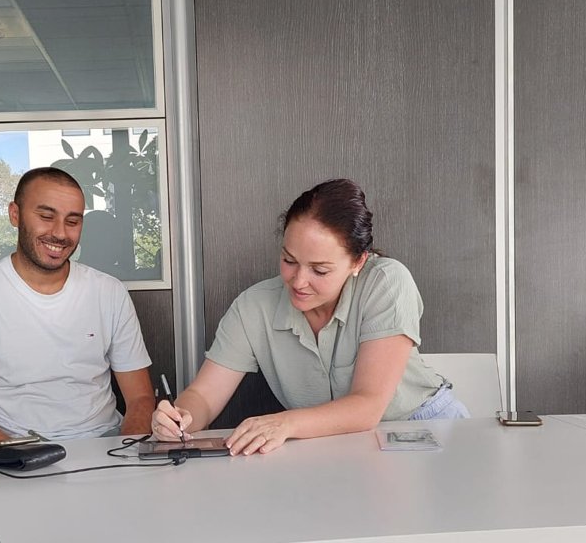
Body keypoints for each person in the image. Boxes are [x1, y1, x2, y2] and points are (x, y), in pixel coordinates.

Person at [152, 179, 468, 455]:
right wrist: (180, 417)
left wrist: (284, 423)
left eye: (320, 270)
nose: (299, 281)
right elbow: (204, 396)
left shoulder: (386, 282)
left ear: (358, 262)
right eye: (289, 261)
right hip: (328, 443)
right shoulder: (253, 306)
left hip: (422, 427)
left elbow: (368, 406)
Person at [0, 167, 156, 448]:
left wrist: (127, 452)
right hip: (12, 452)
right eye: (46, 217)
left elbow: (141, 399)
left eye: (72, 221)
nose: (60, 233)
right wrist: (32, 459)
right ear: (15, 214)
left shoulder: (109, 292)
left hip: (104, 445)